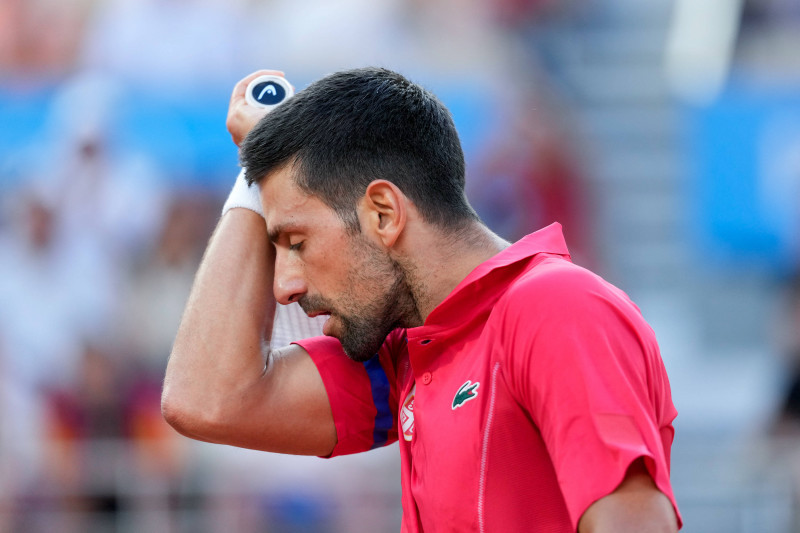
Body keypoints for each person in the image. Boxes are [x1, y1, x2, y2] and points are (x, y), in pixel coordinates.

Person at [162, 68, 682, 532]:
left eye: (297, 243)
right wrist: (255, 178)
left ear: (384, 213)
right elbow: (206, 401)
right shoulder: (407, 351)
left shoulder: (556, 306)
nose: (285, 287)